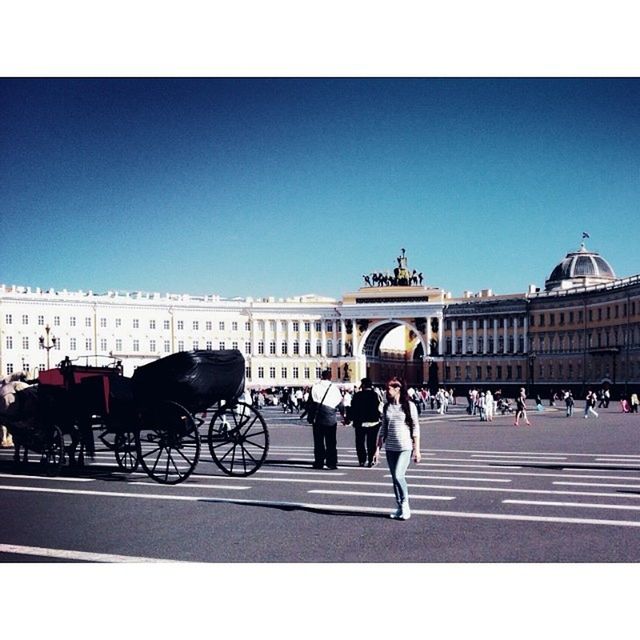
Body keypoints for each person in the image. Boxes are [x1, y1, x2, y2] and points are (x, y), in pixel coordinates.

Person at [374, 377, 421, 520]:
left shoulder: (409, 406)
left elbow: (415, 428)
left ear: (397, 389)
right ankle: (399, 506)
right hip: (391, 447)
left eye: (388, 388)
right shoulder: (387, 407)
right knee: (394, 478)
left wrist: (417, 450)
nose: (386, 391)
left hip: (405, 447)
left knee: (399, 475)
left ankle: (406, 504)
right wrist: (377, 449)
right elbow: (383, 429)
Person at [308, 369, 343, 469]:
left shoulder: (315, 387)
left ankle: (319, 462)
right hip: (331, 417)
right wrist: (344, 416)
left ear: (321, 376)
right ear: (330, 377)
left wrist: (310, 417)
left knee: (318, 441)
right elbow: (340, 404)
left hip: (318, 417)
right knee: (331, 441)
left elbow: (310, 404)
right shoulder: (334, 388)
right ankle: (331, 462)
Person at [346, 377, 381, 467]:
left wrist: (349, 418)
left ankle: (362, 460)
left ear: (364, 385)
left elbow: (353, 408)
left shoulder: (357, 395)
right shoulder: (375, 395)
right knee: (372, 442)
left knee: (360, 442)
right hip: (373, 422)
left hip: (360, 422)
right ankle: (370, 460)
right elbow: (380, 408)